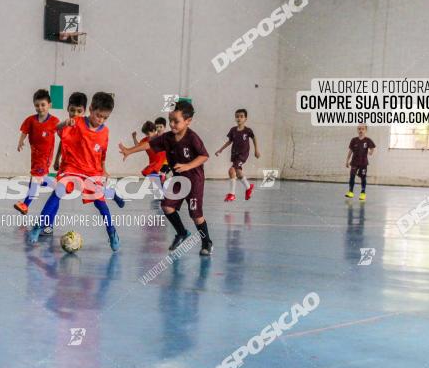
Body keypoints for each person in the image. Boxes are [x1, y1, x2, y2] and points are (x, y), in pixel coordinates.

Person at [119, 100, 213, 255]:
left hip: (194, 181)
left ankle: (206, 242)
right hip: (178, 180)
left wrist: (188, 166)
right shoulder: (167, 138)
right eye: (170, 121)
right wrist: (129, 150)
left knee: (196, 216)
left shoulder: (192, 138)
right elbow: (148, 144)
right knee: (167, 206)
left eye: (176, 122)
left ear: (188, 121)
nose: (172, 125)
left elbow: (204, 156)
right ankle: (182, 233)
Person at [29, 92, 120, 251]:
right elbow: (55, 129)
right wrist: (65, 124)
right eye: (98, 115)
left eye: (105, 118)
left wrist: (104, 170)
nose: (100, 120)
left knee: (100, 204)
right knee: (58, 191)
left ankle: (112, 232)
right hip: (71, 167)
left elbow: (102, 153)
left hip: (91, 172)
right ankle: (39, 225)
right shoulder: (76, 122)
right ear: (91, 109)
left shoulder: (105, 132)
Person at [14, 89, 59, 215]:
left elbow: (63, 133)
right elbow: (24, 131)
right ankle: (56, 183)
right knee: (37, 178)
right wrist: (20, 141)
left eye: (43, 105)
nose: (40, 108)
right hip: (34, 156)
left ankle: (25, 204)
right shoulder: (31, 120)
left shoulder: (54, 121)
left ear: (49, 105)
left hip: (45, 158)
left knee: (36, 178)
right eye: (37, 105)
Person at [215, 108, 259, 202]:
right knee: (238, 172)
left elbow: (254, 138)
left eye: (241, 116)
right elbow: (230, 141)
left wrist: (256, 150)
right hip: (235, 154)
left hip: (243, 154)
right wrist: (220, 150)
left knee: (231, 170)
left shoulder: (248, 130)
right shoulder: (233, 130)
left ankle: (232, 194)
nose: (239, 118)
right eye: (237, 116)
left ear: (245, 118)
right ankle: (248, 188)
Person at [346, 125, 376, 201]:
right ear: (357, 130)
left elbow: (372, 148)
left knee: (363, 177)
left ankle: (363, 193)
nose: (361, 130)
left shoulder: (368, 140)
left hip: (363, 163)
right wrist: (347, 160)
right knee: (352, 176)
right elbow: (350, 151)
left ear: (365, 130)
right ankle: (350, 192)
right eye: (359, 129)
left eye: (363, 129)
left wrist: (370, 152)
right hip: (354, 162)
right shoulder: (354, 140)